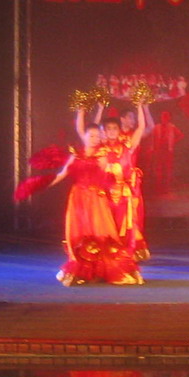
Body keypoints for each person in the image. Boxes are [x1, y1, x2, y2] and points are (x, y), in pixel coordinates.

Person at [51, 118, 143, 286]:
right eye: (91, 136)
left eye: (97, 136)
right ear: (84, 136)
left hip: (96, 198)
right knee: (77, 235)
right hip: (77, 199)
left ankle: (105, 269)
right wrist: (41, 183)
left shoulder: (102, 155)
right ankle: (80, 270)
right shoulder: (75, 155)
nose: (94, 139)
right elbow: (62, 174)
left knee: (102, 235)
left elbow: (108, 175)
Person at [151, 111, 184, 194]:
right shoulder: (157, 127)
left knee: (167, 169)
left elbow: (180, 135)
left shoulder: (172, 127)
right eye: (163, 116)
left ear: (169, 118)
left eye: (166, 117)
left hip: (168, 151)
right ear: (161, 117)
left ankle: (167, 188)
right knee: (158, 169)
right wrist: (152, 148)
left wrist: (173, 142)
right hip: (158, 151)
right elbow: (152, 138)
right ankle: (158, 188)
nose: (164, 118)